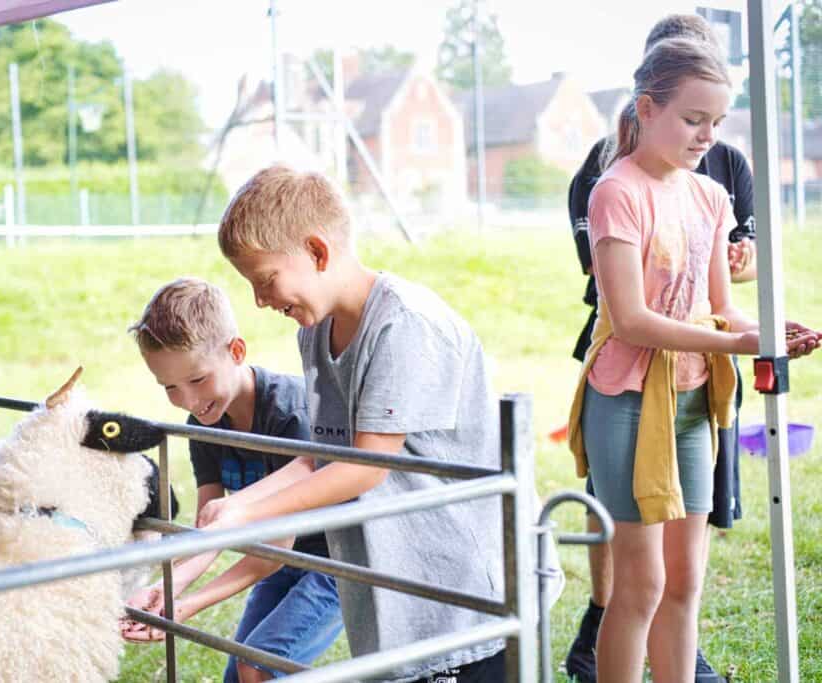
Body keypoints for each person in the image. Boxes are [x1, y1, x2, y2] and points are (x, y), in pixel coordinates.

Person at [200, 164, 522, 683]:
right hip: (388, 597)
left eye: (265, 281)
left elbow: (365, 468)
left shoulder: (403, 324)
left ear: (317, 252)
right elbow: (321, 457)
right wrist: (234, 505)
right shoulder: (314, 330)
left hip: (459, 605)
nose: (260, 301)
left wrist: (254, 516)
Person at [567, 37, 818, 683]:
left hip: (691, 401)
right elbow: (631, 320)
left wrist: (766, 332)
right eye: (692, 118)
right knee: (642, 582)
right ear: (647, 110)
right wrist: (738, 343)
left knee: (685, 581)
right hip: (625, 401)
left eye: (717, 121)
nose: (707, 135)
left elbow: (722, 308)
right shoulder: (614, 193)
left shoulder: (710, 196)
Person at [119, 277, 344, 683]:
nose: (188, 400)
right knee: (239, 676)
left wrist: (188, 606)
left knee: (256, 667)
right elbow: (211, 526)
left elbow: (275, 547)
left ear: (236, 351)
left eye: (198, 379)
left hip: (332, 563)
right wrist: (168, 589)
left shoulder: (289, 415)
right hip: (282, 560)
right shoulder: (205, 424)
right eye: (169, 386)